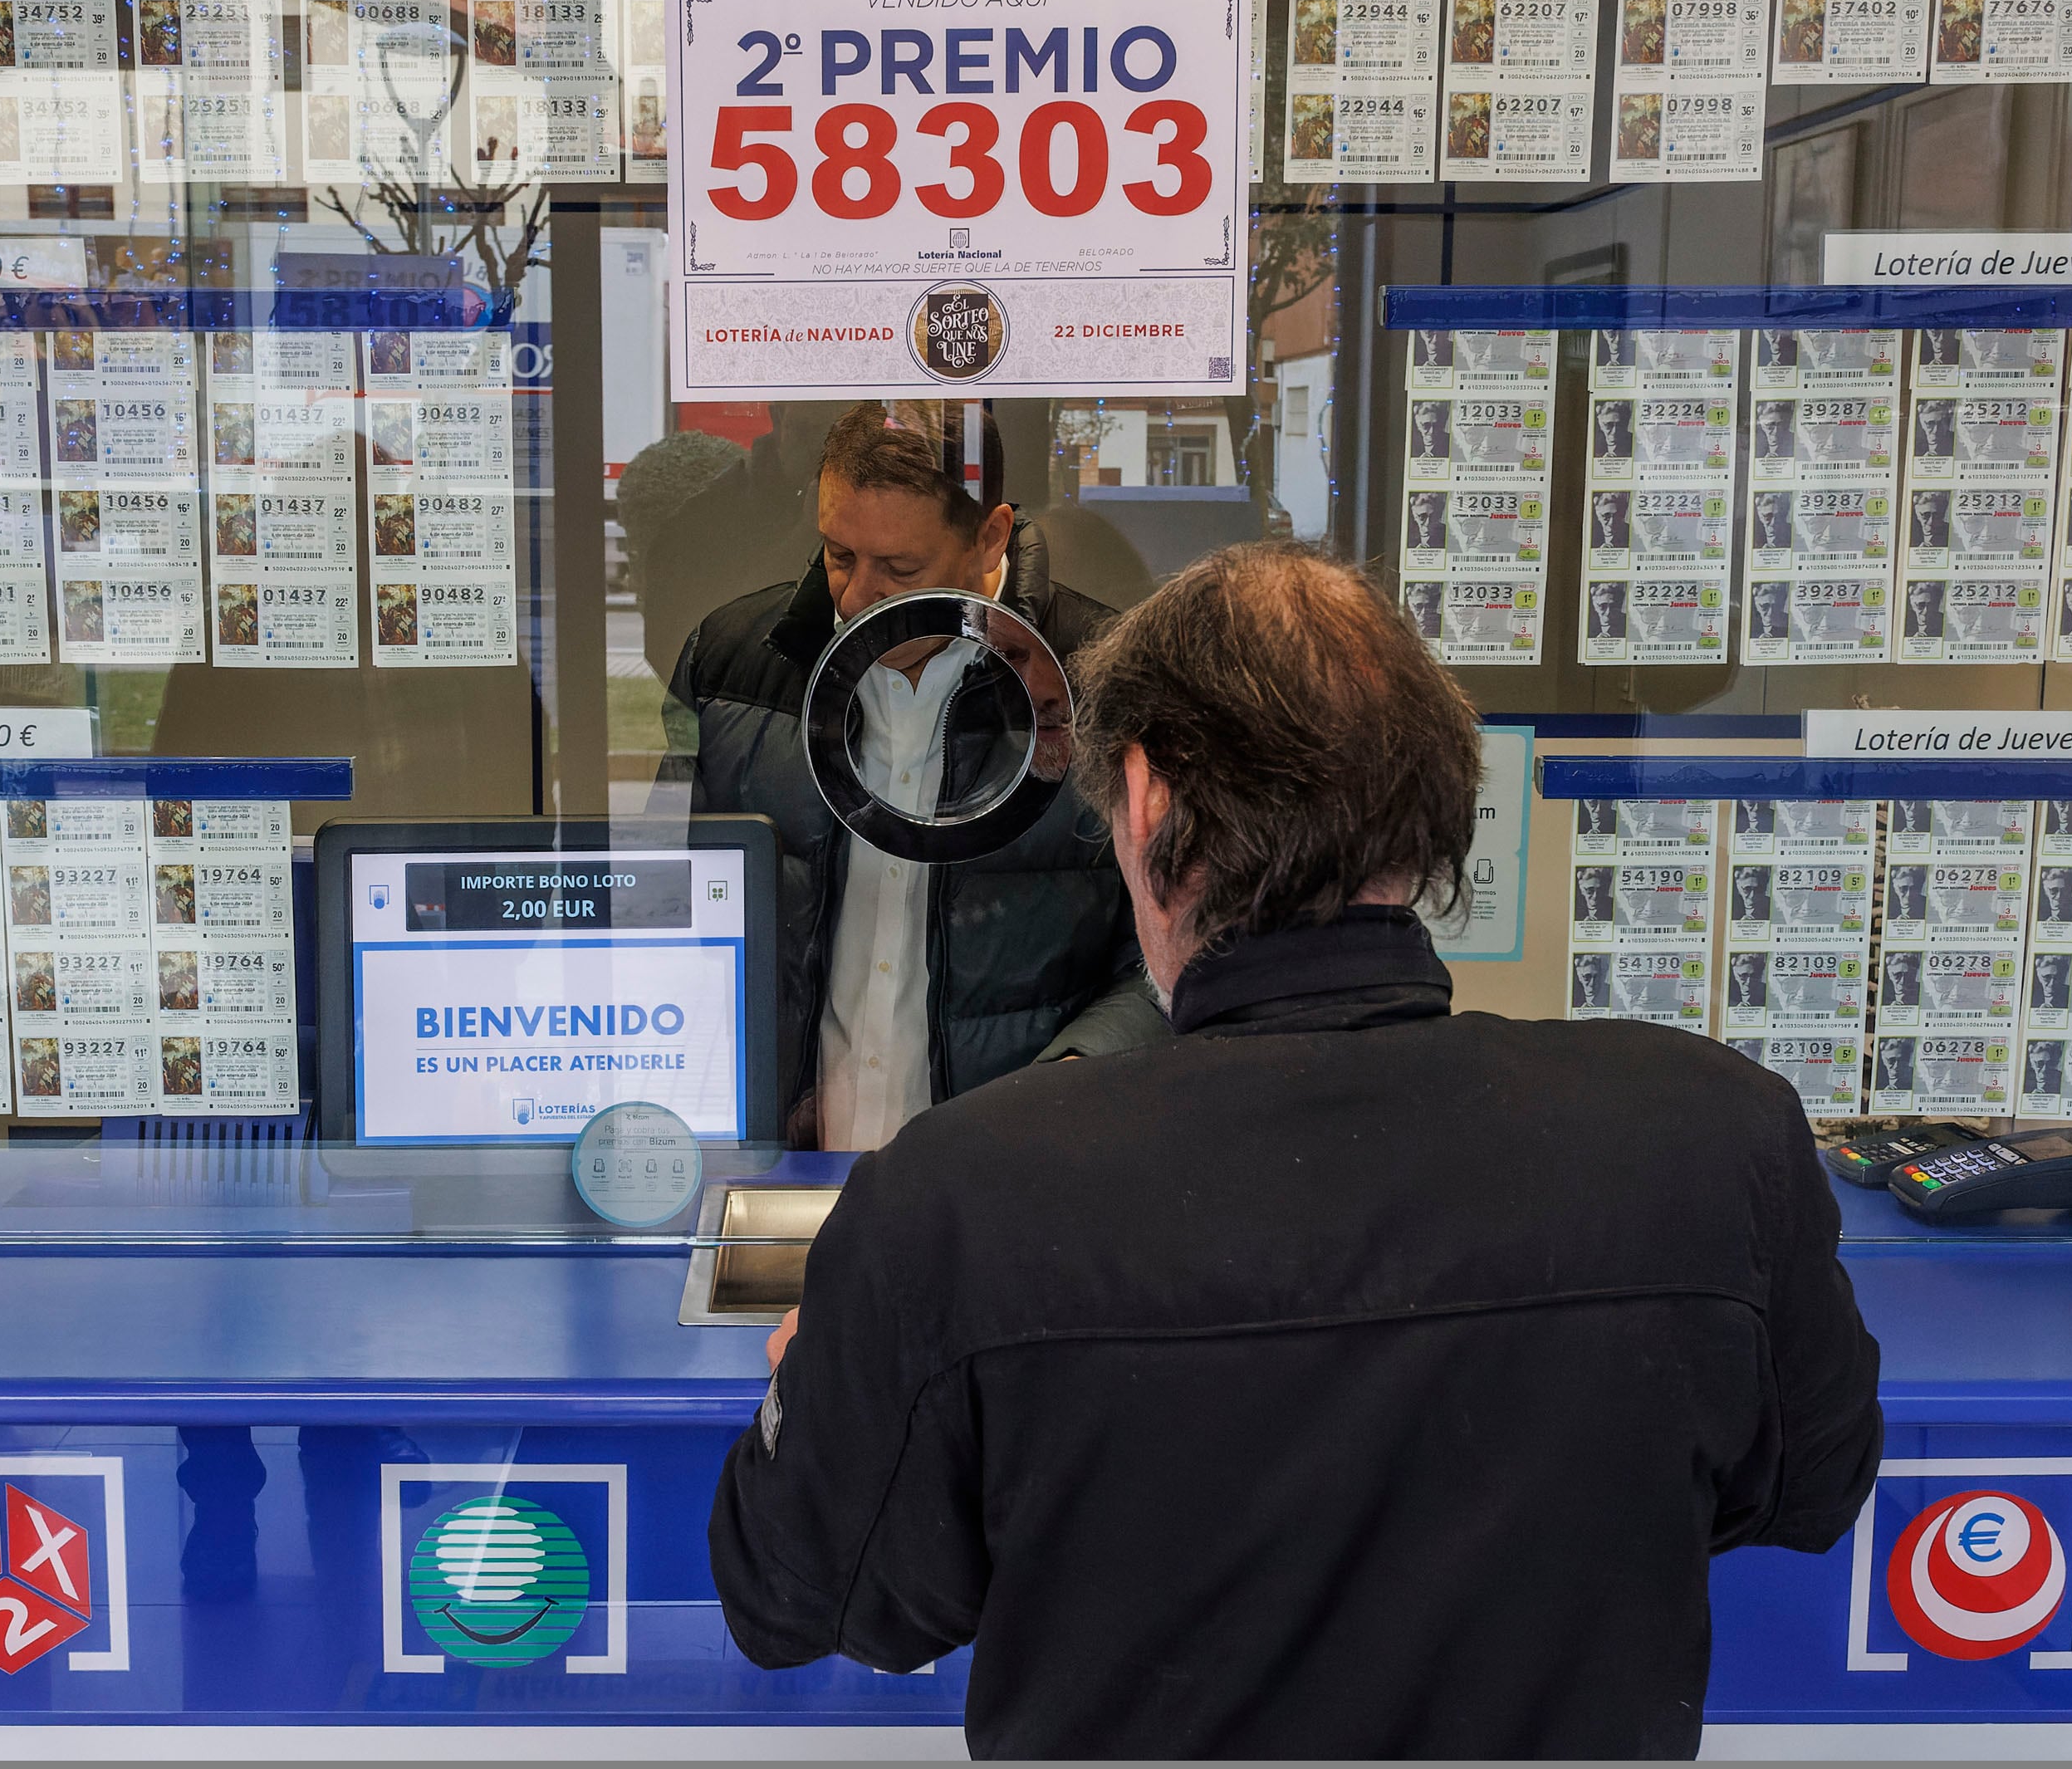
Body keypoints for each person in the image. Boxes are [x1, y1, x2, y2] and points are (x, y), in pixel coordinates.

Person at [708, 545, 1883, 1758]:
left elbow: (798, 1596)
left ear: (1149, 799)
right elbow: (1809, 1485)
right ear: (1433, 797)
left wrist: (818, 1371)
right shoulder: (1706, 1133)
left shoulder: (961, 1196)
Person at [664, 403, 1158, 1148]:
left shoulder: (1109, 682)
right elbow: (664, 909)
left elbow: (1171, 941)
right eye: (837, 555)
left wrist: (1074, 1073)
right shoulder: (730, 664)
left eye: (900, 568)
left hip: (1013, 1163)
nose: (859, 595)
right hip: (783, 1165)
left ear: (989, 537)